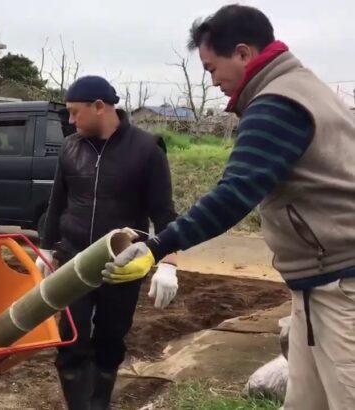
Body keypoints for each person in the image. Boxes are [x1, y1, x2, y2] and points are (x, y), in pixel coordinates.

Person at [109, 5, 355, 410]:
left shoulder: (277, 103)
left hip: (341, 286)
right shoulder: (301, 85)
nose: (213, 80)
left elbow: (234, 194)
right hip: (318, 284)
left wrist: (157, 247)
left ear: (242, 53)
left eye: (210, 68)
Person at [36, 75, 179, 410]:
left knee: (110, 340)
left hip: (123, 262)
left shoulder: (146, 150)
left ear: (99, 107)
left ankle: (99, 404)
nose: (70, 121)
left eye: (75, 112)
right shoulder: (71, 147)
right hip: (73, 260)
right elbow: (58, 201)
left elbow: (164, 212)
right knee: (71, 340)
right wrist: (46, 248)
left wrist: (169, 263)